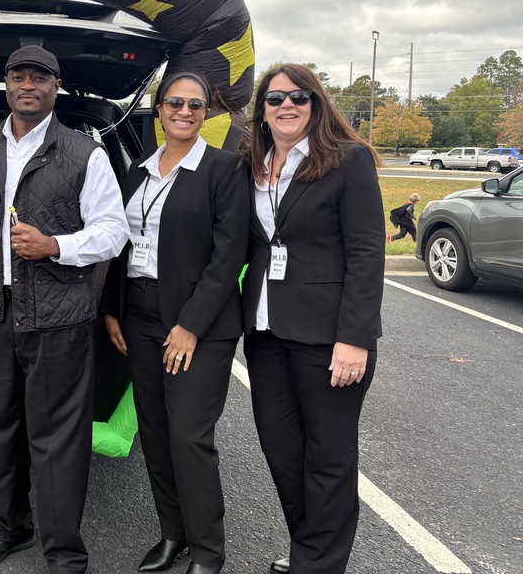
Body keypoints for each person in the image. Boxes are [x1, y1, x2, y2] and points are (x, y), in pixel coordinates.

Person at [0, 45, 128, 574]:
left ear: (55, 87)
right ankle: (11, 527)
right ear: (5, 85)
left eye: (40, 78)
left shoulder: (84, 153)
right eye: (18, 76)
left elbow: (113, 232)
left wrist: (56, 246)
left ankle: (65, 551)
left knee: (57, 440)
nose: (28, 85)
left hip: (57, 318)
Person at [100, 72, 249, 574]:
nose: (184, 112)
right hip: (138, 313)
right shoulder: (138, 171)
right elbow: (120, 244)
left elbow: (230, 255)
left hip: (197, 323)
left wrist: (191, 325)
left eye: (195, 105)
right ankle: (173, 534)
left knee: (189, 436)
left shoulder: (225, 169)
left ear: (206, 113)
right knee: (157, 432)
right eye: (174, 103)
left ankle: (209, 551)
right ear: (158, 109)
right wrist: (112, 308)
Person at [239, 64, 384, 574]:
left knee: (329, 457)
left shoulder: (348, 160)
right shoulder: (252, 164)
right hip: (264, 332)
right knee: (282, 452)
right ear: (261, 112)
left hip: (329, 337)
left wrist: (355, 338)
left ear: (315, 103)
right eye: (275, 98)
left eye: (298, 97)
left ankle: (319, 565)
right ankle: (309, 550)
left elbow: (367, 252)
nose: (287, 106)